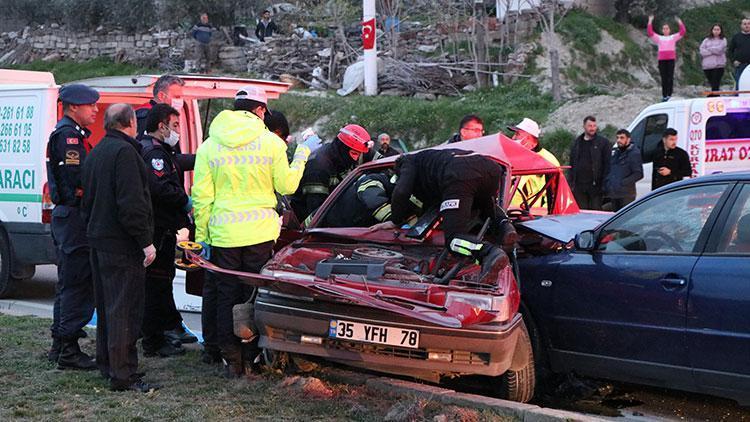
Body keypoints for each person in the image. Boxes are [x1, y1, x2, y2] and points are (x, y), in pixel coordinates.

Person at [192, 86, 321, 377]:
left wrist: (203, 237)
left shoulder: (210, 145)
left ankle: (230, 360)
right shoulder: (271, 144)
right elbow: (287, 186)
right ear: (261, 111)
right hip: (260, 234)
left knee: (225, 296)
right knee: (251, 295)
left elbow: (201, 198)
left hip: (224, 234)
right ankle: (251, 358)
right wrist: (302, 153)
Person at [81, 104, 158, 393]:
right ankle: (124, 374)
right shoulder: (126, 153)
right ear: (129, 123)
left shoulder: (98, 150)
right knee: (125, 311)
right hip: (122, 245)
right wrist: (145, 242)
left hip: (99, 240)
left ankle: (108, 363)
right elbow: (132, 204)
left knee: (108, 308)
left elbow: (86, 200)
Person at [377, 149, 516, 285]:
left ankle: (487, 252)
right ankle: (505, 227)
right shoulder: (432, 161)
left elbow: (401, 191)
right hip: (490, 168)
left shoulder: (407, 161)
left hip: (460, 174)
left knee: (453, 240)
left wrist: (395, 220)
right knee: (485, 206)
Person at [135, 75, 197, 346]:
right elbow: (161, 183)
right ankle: (155, 334)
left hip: (162, 221)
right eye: (176, 95)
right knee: (157, 279)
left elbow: (173, 162)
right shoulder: (149, 133)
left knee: (162, 278)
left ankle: (166, 326)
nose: (180, 102)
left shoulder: (162, 145)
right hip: (157, 221)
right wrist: (185, 201)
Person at [45, 83, 99, 370]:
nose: (95, 110)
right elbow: (76, 181)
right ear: (74, 106)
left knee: (68, 282)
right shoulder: (69, 137)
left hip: (70, 218)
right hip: (75, 218)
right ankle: (68, 349)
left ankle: (60, 344)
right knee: (77, 282)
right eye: (90, 105)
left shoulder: (71, 133)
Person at [289, 124, 371, 224]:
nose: (356, 159)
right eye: (354, 154)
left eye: (359, 154)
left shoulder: (340, 156)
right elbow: (316, 211)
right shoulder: (319, 168)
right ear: (343, 148)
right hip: (309, 224)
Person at [321, 171, 409, 228]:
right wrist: (400, 224)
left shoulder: (390, 187)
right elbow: (375, 202)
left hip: (344, 226)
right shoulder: (373, 181)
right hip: (324, 225)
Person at [507, 118, 560, 210]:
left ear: (530, 139)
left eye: (517, 134)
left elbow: (555, 193)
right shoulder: (514, 157)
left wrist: (545, 215)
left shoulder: (548, 160)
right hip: (510, 213)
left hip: (534, 217)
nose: (513, 138)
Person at [568, 116, 611, 210]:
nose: (592, 128)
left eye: (594, 126)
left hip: (596, 187)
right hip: (579, 187)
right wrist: (571, 183)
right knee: (582, 213)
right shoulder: (576, 143)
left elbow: (607, 165)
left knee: (595, 213)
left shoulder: (603, 143)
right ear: (584, 126)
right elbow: (572, 164)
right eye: (590, 126)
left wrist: (604, 185)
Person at [647, 15, 686, 102]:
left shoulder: (673, 37)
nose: (665, 30)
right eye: (664, 28)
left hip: (671, 59)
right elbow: (650, 33)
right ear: (662, 30)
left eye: (667, 28)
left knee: (670, 77)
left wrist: (679, 22)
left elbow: (682, 32)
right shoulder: (659, 38)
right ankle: (664, 95)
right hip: (662, 60)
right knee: (663, 77)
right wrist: (650, 21)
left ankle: (669, 94)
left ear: (669, 30)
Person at [604, 129, 643, 211]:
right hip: (614, 193)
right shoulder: (615, 153)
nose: (619, 140)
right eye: (617, 138)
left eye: (622, 138)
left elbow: (638, 174)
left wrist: (623, 182)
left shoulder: (634, 153)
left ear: (628, 139)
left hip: (626, 195)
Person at [700, 24, 727, 94]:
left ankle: (714, 98)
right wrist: (713, 50)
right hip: (707, 66)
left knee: (716, 84)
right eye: (715, 29)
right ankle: (715, 97)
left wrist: (709, 49)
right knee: (712, 84)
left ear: (721, 31)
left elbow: (720, 50)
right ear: (712, 30)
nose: (716, 31)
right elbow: (702, 51)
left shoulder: (723, 40)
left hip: (718, 66)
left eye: (718, 30)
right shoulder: (706, 40)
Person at [728, 18, 750, 88]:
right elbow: (730, 51)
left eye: (749, 24)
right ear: (741, 25)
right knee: (739, 85)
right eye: (745, 24)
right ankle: (738, 98)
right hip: (740, 65)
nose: (747, 26)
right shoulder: (736, 37)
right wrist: (733, 61)